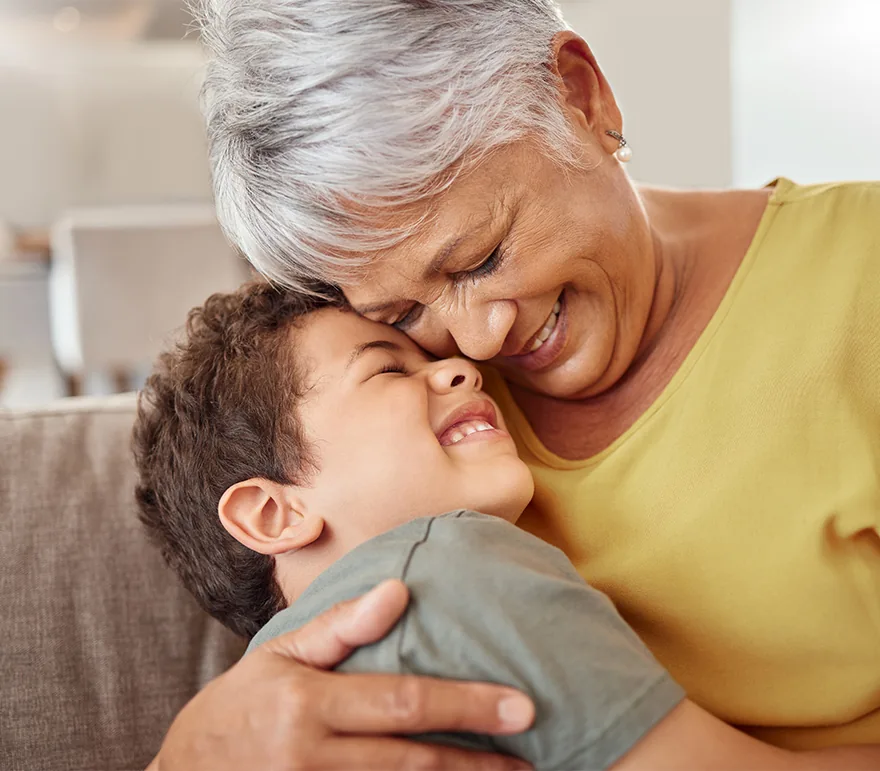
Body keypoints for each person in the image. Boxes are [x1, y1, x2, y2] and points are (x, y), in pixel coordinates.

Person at [151, 0, 880, 767]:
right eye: (401, 313)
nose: (474, 342)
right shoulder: (414, 440)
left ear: (580, 94)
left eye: (480, 257)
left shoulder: (856, 277)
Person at [134, 283, 878, 771]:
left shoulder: (248, 707)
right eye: (388, 370)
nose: (463, 369)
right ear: (274, 511)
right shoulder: (452, 568)